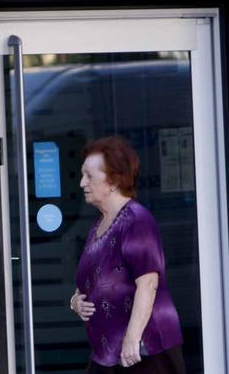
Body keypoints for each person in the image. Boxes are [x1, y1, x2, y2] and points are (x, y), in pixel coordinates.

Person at [69, 136, 185, 373]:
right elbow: (94, 280)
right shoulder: (98, 225)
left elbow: (148, 283)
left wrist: (133, 338)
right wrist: (75, 302)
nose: (82, 183)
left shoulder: (136, 221)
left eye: (89, 176)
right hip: (107, 351)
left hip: (143, 349)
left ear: (112, 180)